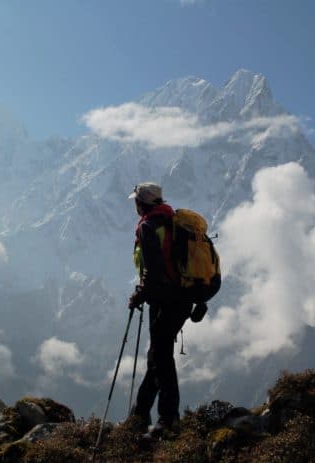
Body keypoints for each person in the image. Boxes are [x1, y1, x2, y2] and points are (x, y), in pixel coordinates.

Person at [127, 182, 192, 437]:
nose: (135, 205)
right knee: (157, 356)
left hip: (166, 301)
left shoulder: (148, 227)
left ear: (142, 203)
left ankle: (168, 418)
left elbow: (153, 272)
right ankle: (140, 415)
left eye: (136, 201)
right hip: (183, 299)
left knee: (161, 358)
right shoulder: (173, 222)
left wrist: (138, 296)